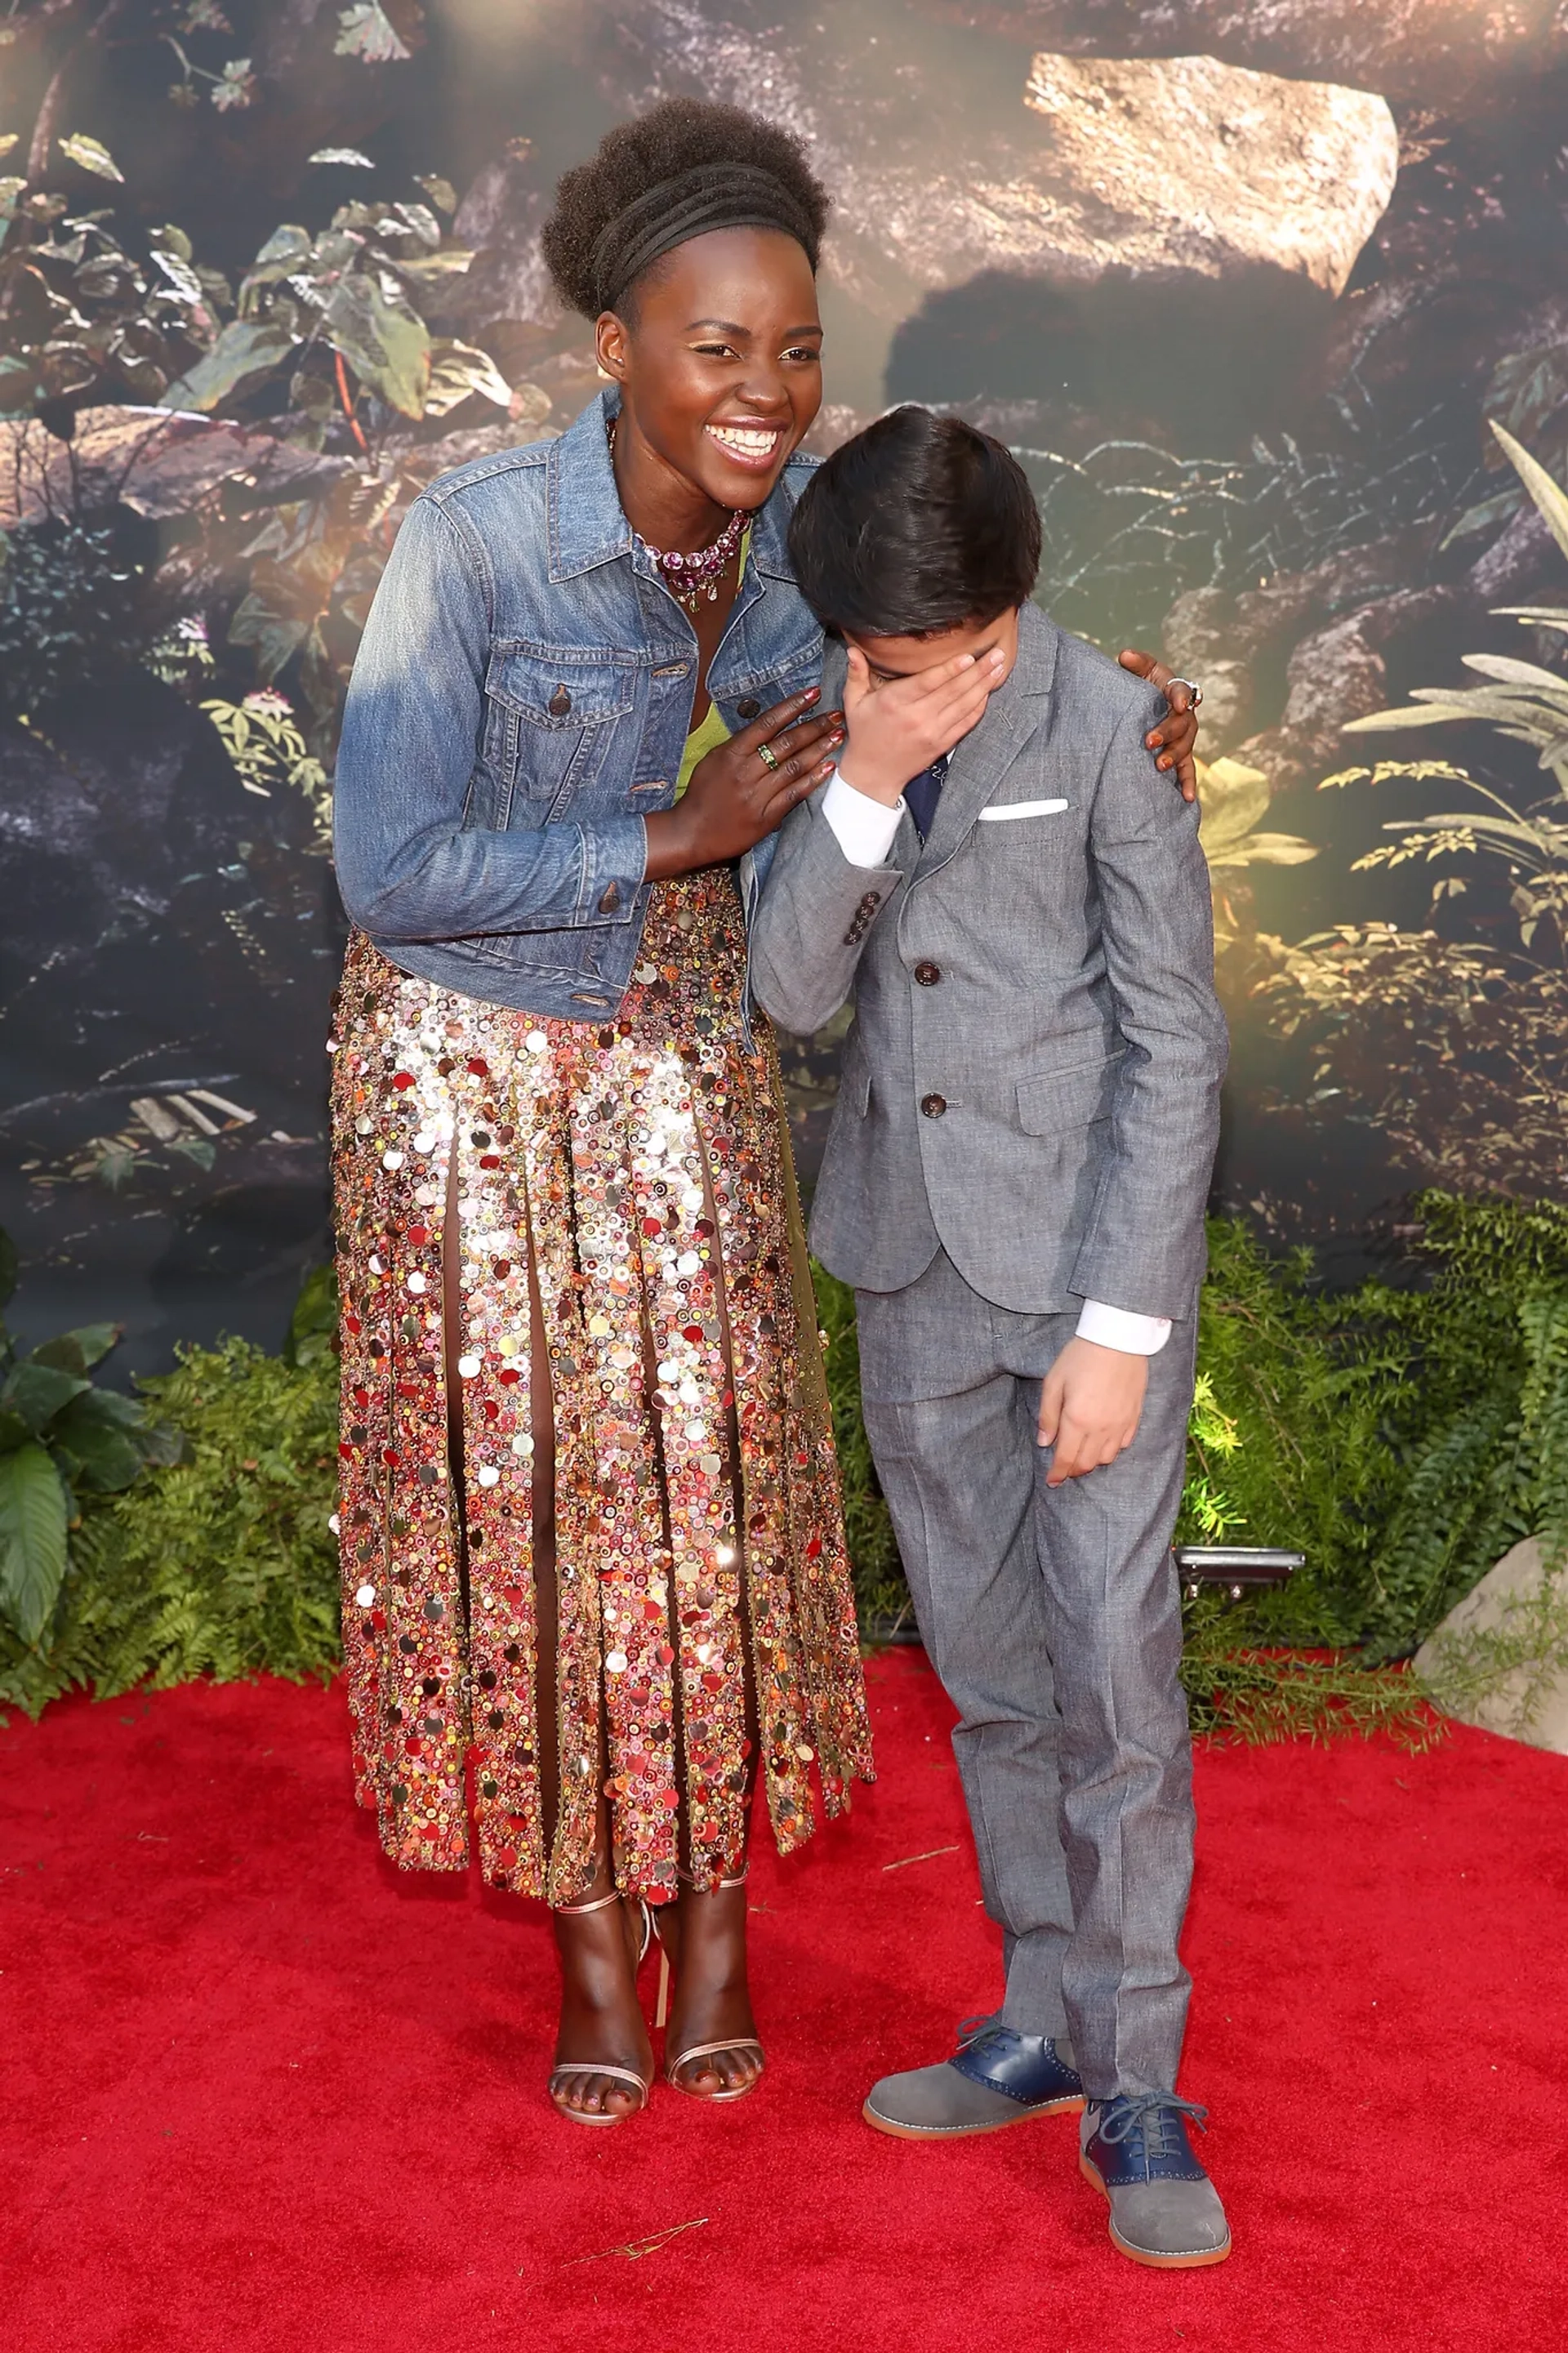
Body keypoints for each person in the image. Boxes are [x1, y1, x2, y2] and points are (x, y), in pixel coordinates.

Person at [329, 100, 1203, 2132]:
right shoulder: (472, 542)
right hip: (476, 1080)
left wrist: (1114, 694)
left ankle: (715, 1918)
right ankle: (581, 1936)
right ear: (613, 345)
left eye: (797, 349)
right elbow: (392, 866)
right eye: (716, 346)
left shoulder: (799, 547)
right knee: (538, 1524)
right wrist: (681, 829)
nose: (765, 390)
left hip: (693, 1063)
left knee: (706, 1518)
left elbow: (939, 693)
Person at [751, 407, 1231, 2268]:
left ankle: (1140, 2082)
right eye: (897, 667)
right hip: (907, 1274)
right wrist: (862, 774)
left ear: (1020, 604)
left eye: (963, 662)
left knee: (1116, 1682)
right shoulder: (831, 709)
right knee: (994, 1677)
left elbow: (1172, 1040)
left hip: (1087, 1290)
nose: (938, 690)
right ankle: (1042, 2016)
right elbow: (795, 994)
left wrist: (1122, 1325)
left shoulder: (1112, 726)